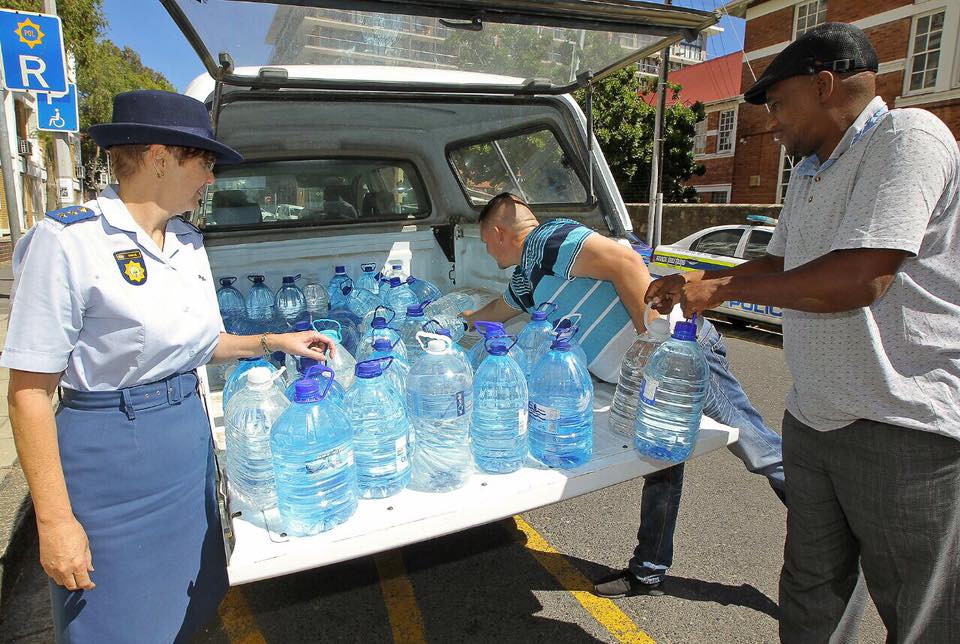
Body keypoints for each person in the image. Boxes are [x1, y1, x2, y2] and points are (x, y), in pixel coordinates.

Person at [647, 23, 959, 643]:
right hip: (814, 420)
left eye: (778, 104)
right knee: (812, 597)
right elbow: (781, 265)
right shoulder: (812, 170)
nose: (770, 123)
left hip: (902, 426)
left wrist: (726, 291)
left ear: (825, 85)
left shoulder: (908, 137)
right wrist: (701, 279)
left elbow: (863, 277)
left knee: (920, 615)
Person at [1, 90, 336, 643]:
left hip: (187, 444)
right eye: (203, 162)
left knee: (190, 604)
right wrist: (55, 521)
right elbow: (29, 391)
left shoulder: (186, 242)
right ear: (160, 158)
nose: (210, 178)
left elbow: (194, 346)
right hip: (112, 462)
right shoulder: (66, 242)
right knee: (113, 621)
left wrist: (274, 340)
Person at [464, 193, 785, 597]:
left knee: (757, 448)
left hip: (678, 357)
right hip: (645, 378)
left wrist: (652, 343)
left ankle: (832, 535)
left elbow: (624, 262)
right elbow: (499, 310)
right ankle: (648, 571)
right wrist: (460, 323)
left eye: (484, 241)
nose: (485, 249)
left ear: (498, 232)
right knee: (662, 465)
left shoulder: (548, 238)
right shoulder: (527, 278)